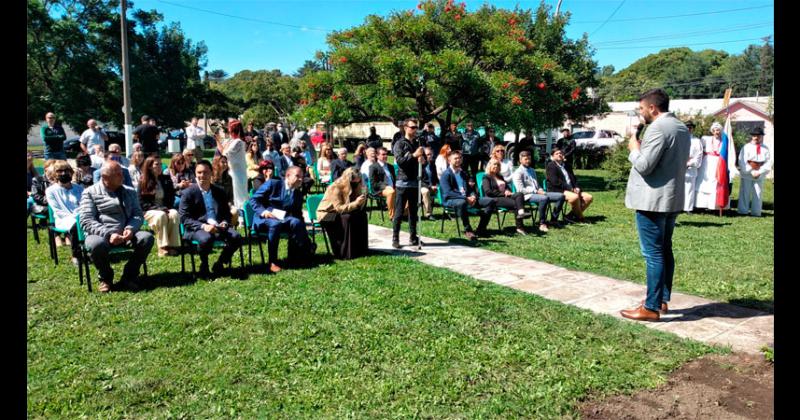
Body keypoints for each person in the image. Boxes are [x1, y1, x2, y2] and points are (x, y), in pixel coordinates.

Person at [619, 88, 690, 322]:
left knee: (653, 254)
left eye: (641, 108)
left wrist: (633, 148)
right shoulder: (680, 127)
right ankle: (661, 299)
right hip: (671, 199)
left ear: (652, 108)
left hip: (652, 201)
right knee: (665, 250)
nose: (641, 113)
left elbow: (645, 165)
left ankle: (650, 307)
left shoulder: (658, 128)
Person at [78, 161, 154, 292]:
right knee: (96, 244)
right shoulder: (90, 192)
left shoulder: (129, 191)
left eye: (122, 173)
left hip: (127, 233)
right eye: (118, 174)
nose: (122, 176)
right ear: (105, 177)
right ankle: (106, 277)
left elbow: (137, 214)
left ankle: (129, 275)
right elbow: (86, 220)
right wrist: (108, 234)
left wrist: (131, 228)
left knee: (146, 238)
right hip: (101, 234)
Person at [180, 160, 243, 279]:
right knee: (206, 239)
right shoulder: (188, 193)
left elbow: (226, 213)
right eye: (199, 172)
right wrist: (204, 226)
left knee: (236, 237)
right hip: (197, 228)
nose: (202, 175)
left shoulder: (219, 191)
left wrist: (224, 222)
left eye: (205, 172)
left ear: (211, 173)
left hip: (218, 226)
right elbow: (185, 218)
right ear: (195, 173)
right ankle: (204, 266)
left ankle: (220, 263)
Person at [249, 166, 314, 273]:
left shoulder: (297, 193)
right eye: (297, 176)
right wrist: (263, 212)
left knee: (296, 221)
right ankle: (272, 261)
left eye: (302, 177)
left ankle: (297, 256)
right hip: (264, 218)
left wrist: (305, 236)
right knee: (275, 224)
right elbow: (254, 199)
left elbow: (298, 214)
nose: (300, 179)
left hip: (283, 219)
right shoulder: (273, 184)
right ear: (288, 176)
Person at [439, 150, 496, 240]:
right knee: (462, 202)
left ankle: (481, 229)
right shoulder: (446, 174)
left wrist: (473, 196)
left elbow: (470, 189)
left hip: (467, 198)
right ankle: (468, 230)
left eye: (460, 158)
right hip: (452, 200)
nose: (458, 160)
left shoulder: (463, 173)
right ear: (449, 160)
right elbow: (448, 192)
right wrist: (465, 198)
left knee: (491, 201)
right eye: (456, 158)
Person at [317, 167, 369, 259]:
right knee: (347, 218)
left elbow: (358, 206)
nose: (356, 184)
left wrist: (363, 193)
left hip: (343, 211)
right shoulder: (335, 187)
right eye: (353, 182)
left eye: (358, 182)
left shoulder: (357, 185)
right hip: (327, 214)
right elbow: (338, 208)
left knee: (362, 215)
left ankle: (361, 249)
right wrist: (355, 203)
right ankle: (345, 252)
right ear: (348, 180)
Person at [512, 150, 565, 232]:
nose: (528, 161)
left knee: (560, 196)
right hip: (527, 195)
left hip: (538, 192)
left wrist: (540, 189)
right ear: (520, 160)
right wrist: (536, 191)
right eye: (526, 159)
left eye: (529, 159)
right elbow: (520, 190)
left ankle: (553, 219)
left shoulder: (532, 170)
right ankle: (542, 223)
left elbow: (536, 184)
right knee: (543, 199)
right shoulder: (518, 172)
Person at [138, 156, 180, 257]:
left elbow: (171, 197)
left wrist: (167, 208)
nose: (160, 166)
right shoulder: (143, 181)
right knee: (161, 215)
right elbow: (141, 203)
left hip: (164, 208)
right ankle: (163, 246)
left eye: (161, 164)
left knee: (174, 214)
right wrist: (158, 209)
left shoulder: (166, 179)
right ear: (149, 167)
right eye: (157, 164)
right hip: (149, 211)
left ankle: (173, 245)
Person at [45, 160, 84, 265]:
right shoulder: (51, 191)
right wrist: (76, 217)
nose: (63, 173)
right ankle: (76, 254)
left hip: (82, 216)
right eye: (59, 171)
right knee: (77, 225)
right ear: (54, 173)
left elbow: (86, 205)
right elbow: (58, 211)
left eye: (66, 170)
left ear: (71, 172)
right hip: (64, 219)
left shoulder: (79, 188)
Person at [694, 122, 737, 212]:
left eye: (718, 130)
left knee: (716, 183)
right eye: (715, 130)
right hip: (707, 163)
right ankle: (700, 205)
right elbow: (700, 150)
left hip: (718, 163)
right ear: (712, 131)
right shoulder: (705, 139)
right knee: (703, 182)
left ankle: (715, 206)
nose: (716, 132)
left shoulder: (724, 141)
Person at [482, 159, 530, 235]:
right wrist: (503, 193)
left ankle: (521, 212)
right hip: (494, 198)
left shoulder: (500, 176)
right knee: (517, 203)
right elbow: (488, 191)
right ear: (489, 166)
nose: (496, 166)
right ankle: (520, 227)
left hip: (505, 196)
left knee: (519, 194)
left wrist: (508, 190)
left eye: (498, 165)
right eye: (494, 164)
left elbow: (507, 186)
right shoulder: (486, 177)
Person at [546, 147, 593, 223]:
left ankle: (569, 216)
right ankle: (580, 218)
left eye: (560, 153)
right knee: (574, 197)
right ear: (553, 156)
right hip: (558, 189)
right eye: (556, 154)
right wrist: (570, 188)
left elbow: (574, 179)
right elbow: (555, 182)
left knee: (589, 197)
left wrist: (577, 187)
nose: (559, 155)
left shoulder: (567, 166)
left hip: (571, 189)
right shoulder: (551, 166)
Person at [737, 127, 771, 217]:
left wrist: (760, 171)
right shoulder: (746, 147)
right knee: (745, 192)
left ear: (761, 137)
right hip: (748, 173)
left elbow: (769, 162)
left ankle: (756, 212)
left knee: (758, 192)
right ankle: (743, 211)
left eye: (759, 136)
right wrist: (751, 171)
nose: (756, 137)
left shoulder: (765, 148)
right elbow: (742, 160)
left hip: (759, 173)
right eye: (755, 135)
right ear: (752, 136)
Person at [217, 120, 249, 215]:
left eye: (230, 130)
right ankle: (237, 214)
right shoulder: (233, 141)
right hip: (233, 171)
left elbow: (225, 153)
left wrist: (220, 143)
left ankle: (242, 216)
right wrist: (219, 141)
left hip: (238, 172)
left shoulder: (238, 142)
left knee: (240, 195)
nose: (229, 132)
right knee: (234, 195)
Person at [368, 147, 398, 221]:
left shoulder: (390, 167)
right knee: (391, 192)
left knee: (406, 191)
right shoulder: (373, 167)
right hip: (380, 190)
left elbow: (394, 180)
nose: (385, 156)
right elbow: (373, 183)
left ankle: (404, 213)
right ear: (377, 156)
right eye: (383, 154)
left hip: (393, 187)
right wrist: (386, 186)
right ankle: (392, 216)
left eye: (386, 154)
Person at [211, 155, 239, 227]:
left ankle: (228, 228)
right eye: (223, 162)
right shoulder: (211, 178)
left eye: (226, 162)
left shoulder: (228, 178)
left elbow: (230, 196)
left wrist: (229, 203)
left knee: (235, 211)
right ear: (216, 163)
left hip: (226, 205)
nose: (225, 164)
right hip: (214, 206)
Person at [683, 121, 704, 213]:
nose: (688, 129)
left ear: (693, 129)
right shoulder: (679, 139)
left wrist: (689, 163)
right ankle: (677, 208)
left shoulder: (697, 141)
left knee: (689, 189)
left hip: (691, 168)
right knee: (678, 189)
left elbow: (699, 155)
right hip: (679, 167)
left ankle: (688, 208)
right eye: (687, 127)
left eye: (690, 127)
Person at [420, 146, 438, 220]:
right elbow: (419, 180)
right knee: (425, 191)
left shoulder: (433, 164)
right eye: (427, 154)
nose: (429, 156)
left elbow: (436, 177)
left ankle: (449, 211)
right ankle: (429, 213)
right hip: (422, 186)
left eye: (430, 154)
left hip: (433, 186)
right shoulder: (420, 165)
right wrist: (430, 186)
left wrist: (437, 185)